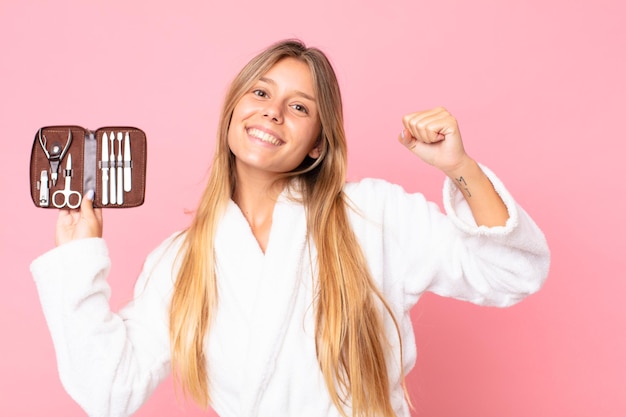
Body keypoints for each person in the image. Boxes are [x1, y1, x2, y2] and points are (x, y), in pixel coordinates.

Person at [31, 39, 550, 417]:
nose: (273, 112)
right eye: (260, 93)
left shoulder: (374, 215)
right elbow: (108, 390)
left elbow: (512, 271)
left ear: (318, 145)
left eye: (299, 107)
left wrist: (457, 166)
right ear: (233, 111)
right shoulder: (180, 260)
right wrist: (78, 260)